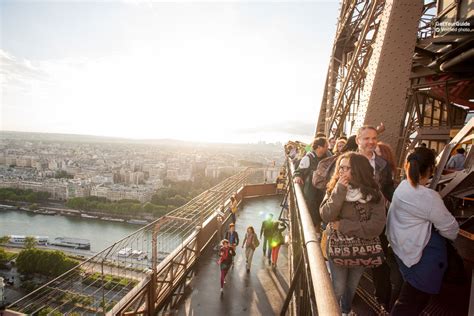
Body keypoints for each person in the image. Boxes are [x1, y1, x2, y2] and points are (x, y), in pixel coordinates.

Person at [387, 147, 459, 315]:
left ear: (407, 165)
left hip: (402, 253)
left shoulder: (402, 188)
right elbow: (451, 231)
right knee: (409, 305)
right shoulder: (428, 197)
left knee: (405, 300)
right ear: (430, 169)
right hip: (422, 262)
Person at [320, 152, 386, 315]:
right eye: (340, 167)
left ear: (358, 170)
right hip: (338, 248)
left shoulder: (374, 195)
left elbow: (376, 227)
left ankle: (345, 310)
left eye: (347, 168)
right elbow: (326, 215)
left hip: (362, 250)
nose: (342, 171)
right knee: (338, 286)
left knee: (352, 286)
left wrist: (343, 225)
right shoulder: (334, 189)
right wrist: (340, 191)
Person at [356, 125, 396, 310]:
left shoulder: (382, 164)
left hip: (377, 220)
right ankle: (351, 295)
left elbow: (388, 188)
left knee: (380, 260)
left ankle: (382, 301)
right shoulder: (348, 161)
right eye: (366, 138)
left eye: (374, 138)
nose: (371, 142)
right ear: (358, 140)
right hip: (355, 220)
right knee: (354, 258)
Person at [294, 137, 329, 228]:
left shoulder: (327, 157)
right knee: (312, 210)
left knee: (320, 208)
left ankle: (318, 229)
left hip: (321, 190)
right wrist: (297, 176)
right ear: (319, 147)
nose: (327, 148)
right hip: (311, 191)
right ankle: (314, 230)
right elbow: (299, 171)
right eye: (326, 146)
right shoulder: (308, 158)